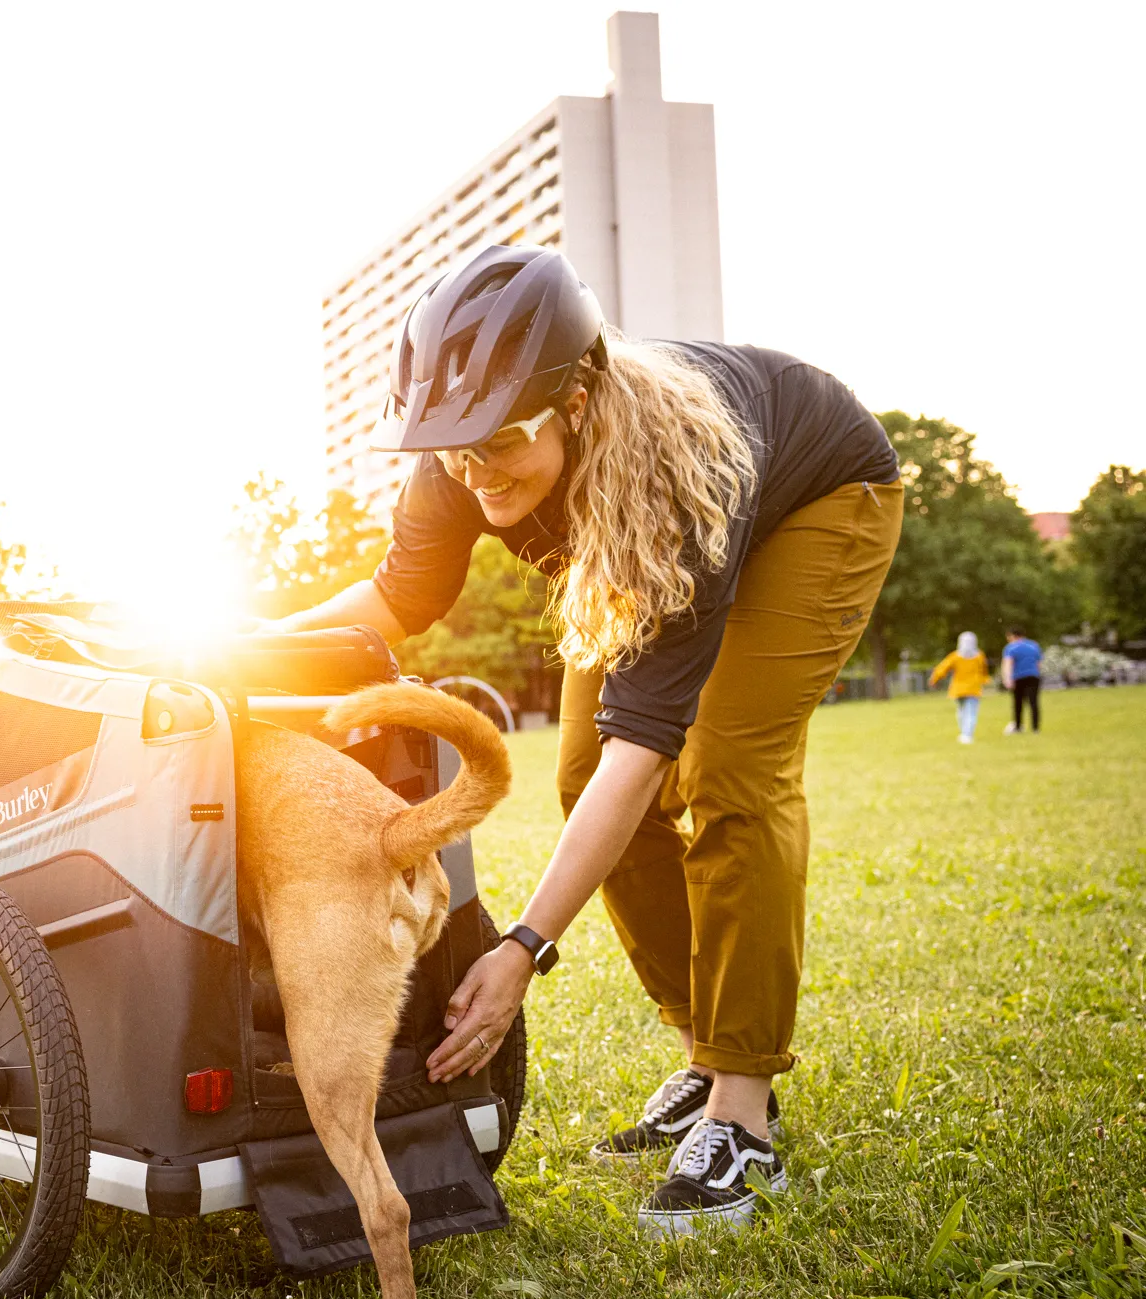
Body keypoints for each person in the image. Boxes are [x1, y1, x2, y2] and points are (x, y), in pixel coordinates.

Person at [275, 246, 903, 1235]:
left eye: (498, 442)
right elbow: (397, 599)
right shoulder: (459, 452)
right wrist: (235, 649)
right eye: (451, 450)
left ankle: (741, 1111)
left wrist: (523, 944)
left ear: (574, 402)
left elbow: (644, 745)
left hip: (814, 498)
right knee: (575, 770)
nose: (473, 472)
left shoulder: (676, 469)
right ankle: (702, 1054)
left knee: (729, 767)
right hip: (638, 531)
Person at [928, 632, 989, 744]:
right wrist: (985, 681)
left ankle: (964, 733)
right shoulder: (979, 655)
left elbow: (942, 668)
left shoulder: (955, 656)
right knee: (971, 712)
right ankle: (967, 734)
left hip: (958, 689)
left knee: (961, 712)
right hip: (973, 688)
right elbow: (983, 671)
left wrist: (934, 679)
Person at [1001, 628, 1043, 733]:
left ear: (1012, 636)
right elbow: (1039, 663)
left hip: (1018, 677)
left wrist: (1007, 679)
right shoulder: (1034, 645)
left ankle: (1018, 726)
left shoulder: (1011, 648)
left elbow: (1008, 664)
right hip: (1033, 676)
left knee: (1018, 703)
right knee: (1034, 702)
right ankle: (1035, 728)